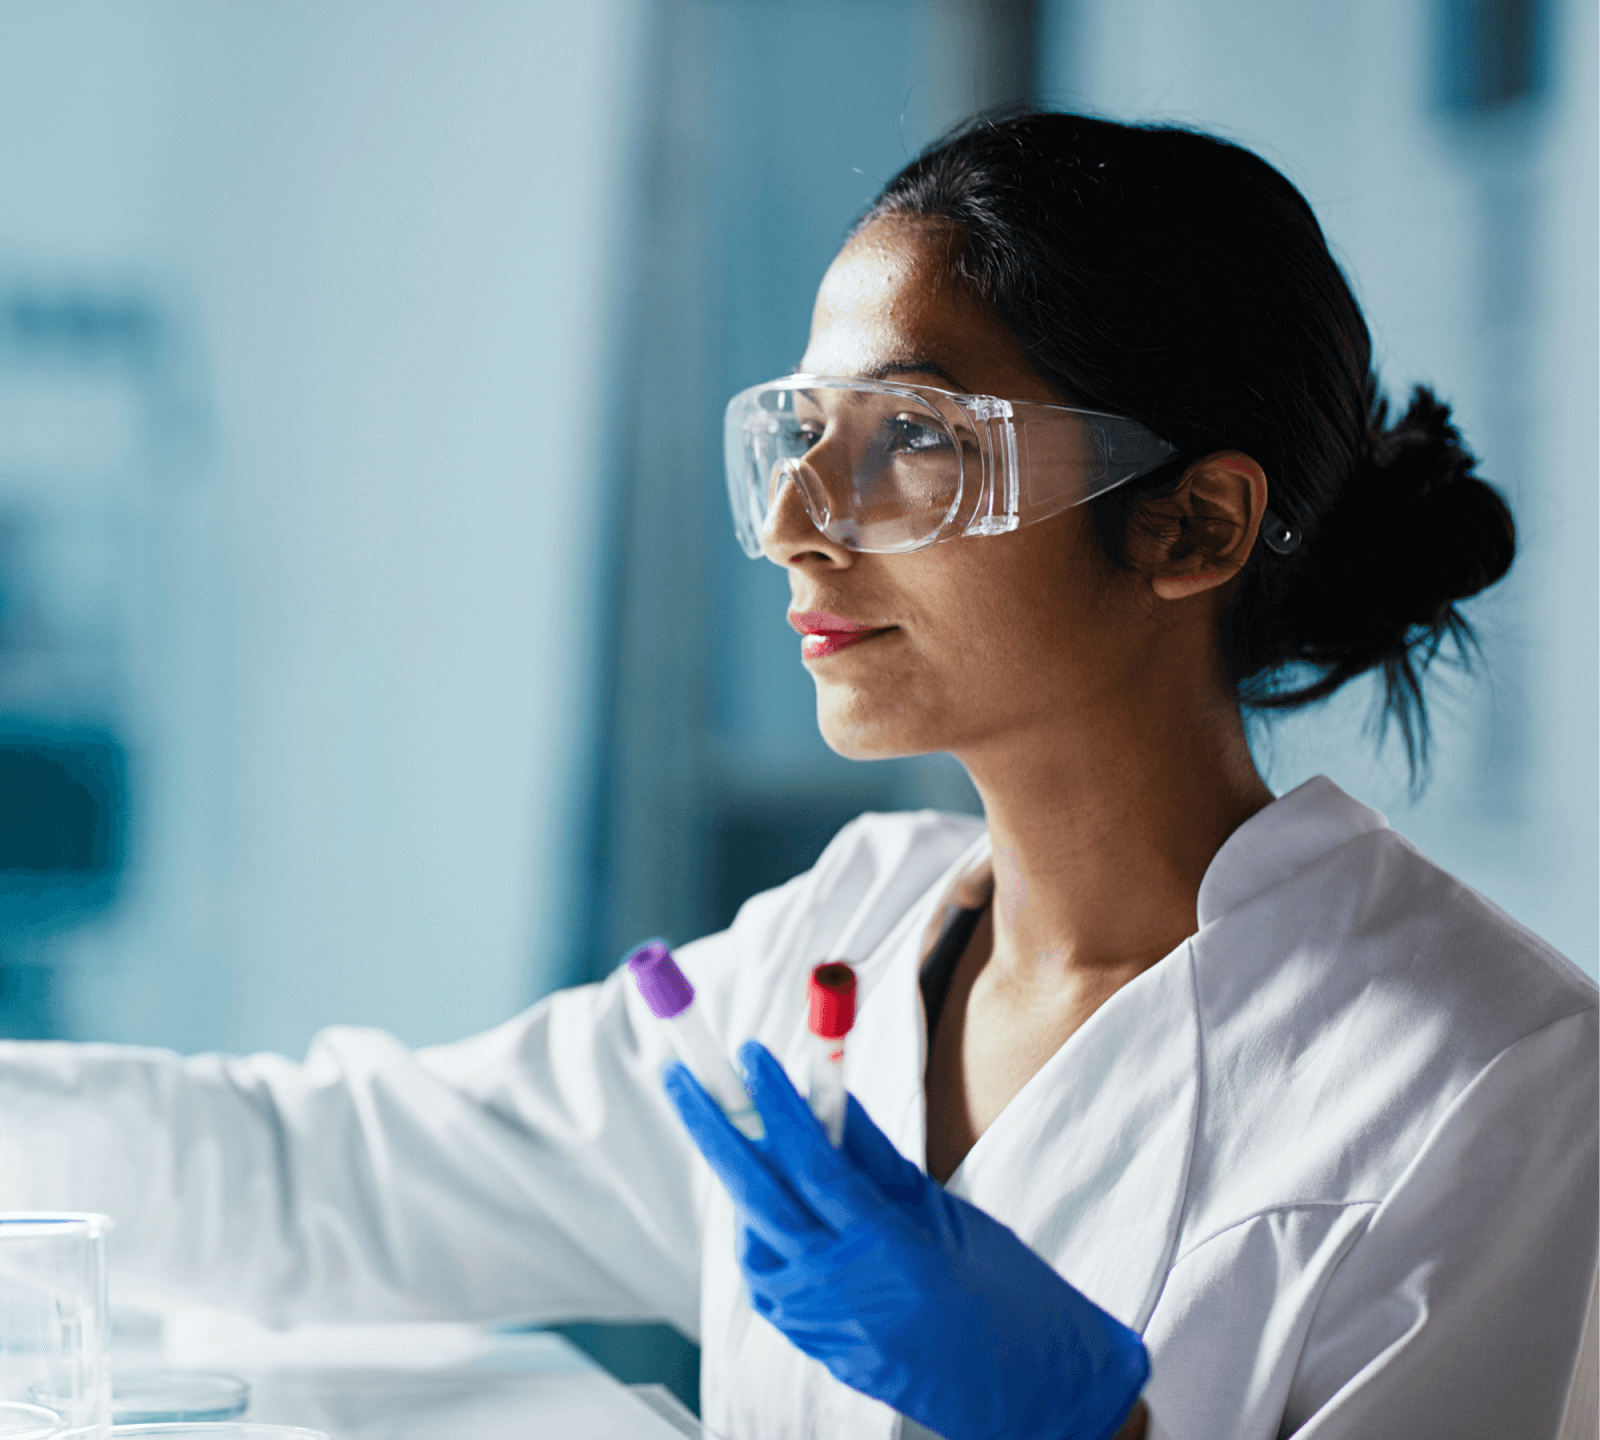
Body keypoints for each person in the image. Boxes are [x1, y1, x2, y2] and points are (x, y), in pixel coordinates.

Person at [1, 113, 1595, 1440]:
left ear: (1192, 526)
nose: (792, 521)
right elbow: (327, 1178)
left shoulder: (1491, 1087)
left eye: (912, 434)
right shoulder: (832, 950)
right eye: (799, 433)